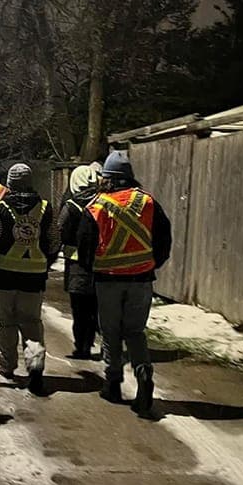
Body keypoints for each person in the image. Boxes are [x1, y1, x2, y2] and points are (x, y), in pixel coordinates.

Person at [75, 150, 172, 416]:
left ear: (107, 178)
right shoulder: (149, 203)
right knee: (135, 331)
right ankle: (143, 372)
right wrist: (152, 264)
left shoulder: (96, 207)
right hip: (141, 279)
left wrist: (92, 269)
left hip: (107, 281)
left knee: (110, 332)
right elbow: (164, 239)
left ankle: (113, 382)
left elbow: (84, 246)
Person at [0, 162, 60, 394]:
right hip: (33, 279)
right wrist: (45, 263)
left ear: (10, 184)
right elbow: (54, 241)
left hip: (3, 277)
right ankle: (35, 367)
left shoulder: (2, 209)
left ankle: (7, 367)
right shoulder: (45, 208)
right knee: (31, 323)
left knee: (6, 322)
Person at [58, 163, 102, 359]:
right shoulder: (102, 202)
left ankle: (81, 347)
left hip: (76, 264)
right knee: (94, 306)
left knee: (79, 309)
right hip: (99, 262)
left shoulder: (70, 206)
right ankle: (92, 341)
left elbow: (58, 232)